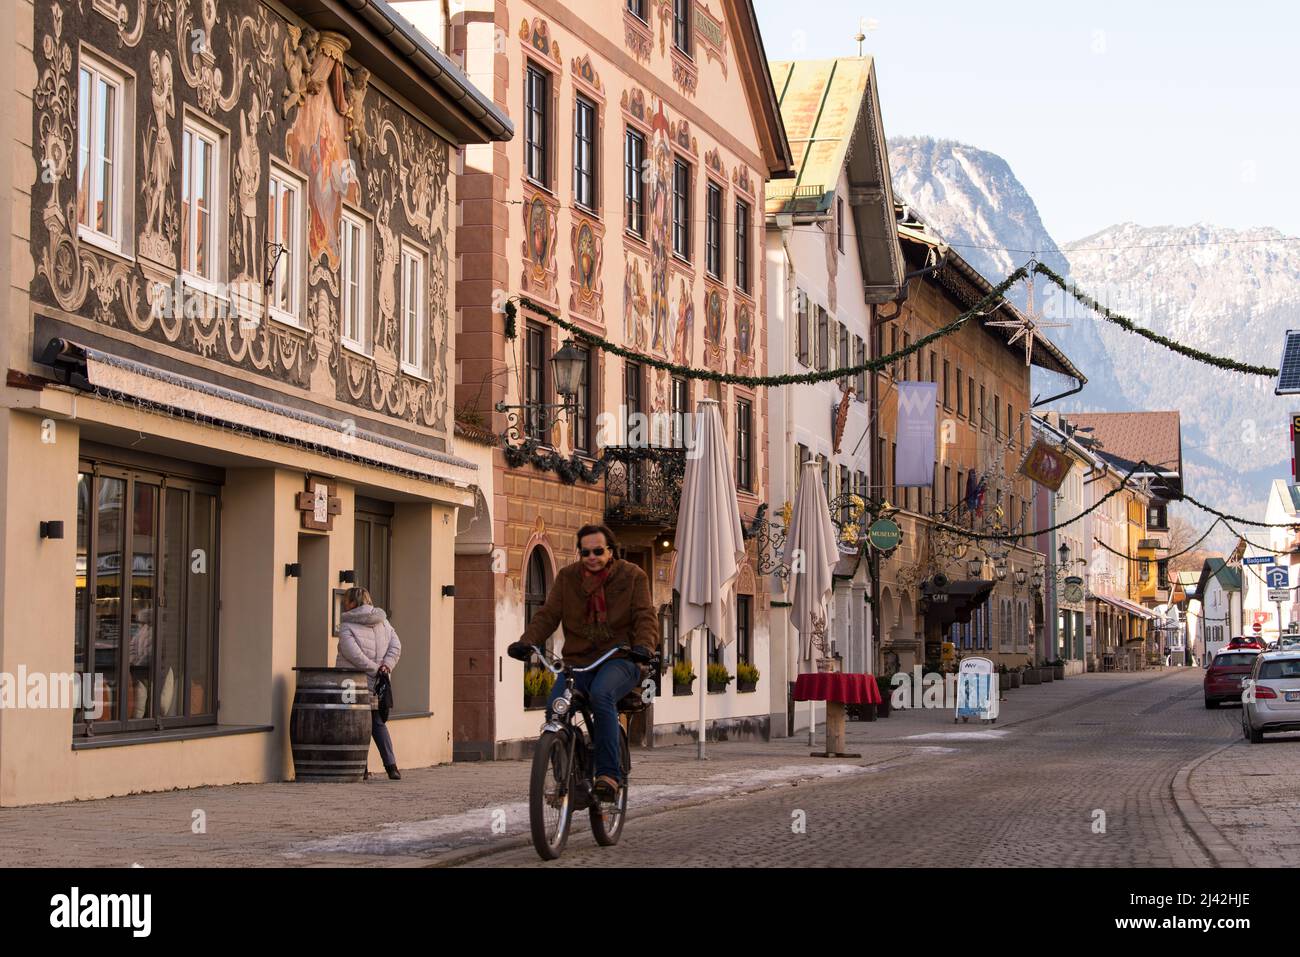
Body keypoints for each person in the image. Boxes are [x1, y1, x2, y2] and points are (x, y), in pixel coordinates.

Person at [508, 524, 657, 802]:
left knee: (602, 695)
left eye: (598, 551)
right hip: (577, 662)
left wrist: (644, 647)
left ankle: (608, 776)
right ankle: (568, 778)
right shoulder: (568, 578)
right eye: (585, 552)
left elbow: (645, 616)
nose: (592, 557)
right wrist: (527, 642)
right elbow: (548, 615)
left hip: (619, 659)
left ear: (610, 551)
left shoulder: (632, 576)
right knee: (555, 709)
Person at [336, 586, 402, 781]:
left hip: (351, 681)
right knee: (376, 722)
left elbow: (352, 654)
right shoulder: (383, 622)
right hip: (378, 682)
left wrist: (373, 668)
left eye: (345, 601)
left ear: (352, 603)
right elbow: (396, 646)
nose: (343, 605)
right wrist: (385, 667)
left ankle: (360, 767)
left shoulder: (347, 624)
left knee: (352, 722)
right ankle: (391, 767)